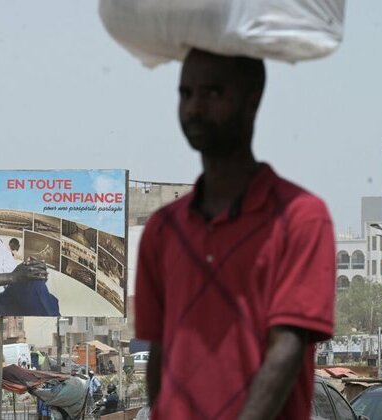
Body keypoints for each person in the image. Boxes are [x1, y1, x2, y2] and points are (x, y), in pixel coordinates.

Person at [135, 49, 335, 420]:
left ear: (251, 102)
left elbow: (287, 346)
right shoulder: (163, 229)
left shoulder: (301, 218)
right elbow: (160, 352)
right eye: (186, 93)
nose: (194, 108)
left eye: (212, 93)